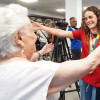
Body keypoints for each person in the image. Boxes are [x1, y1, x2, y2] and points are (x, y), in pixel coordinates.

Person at [0, 4, 100, 100]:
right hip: (86, 75)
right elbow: (88, 63)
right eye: (31, 32)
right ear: (18, 38)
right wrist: (43, 27)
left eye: (91, 17)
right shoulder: (40, 71)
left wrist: (40, 52)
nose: (35, 36)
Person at [32, 6, 100, 100]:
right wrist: (42, 27)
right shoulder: (83, 33)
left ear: (97, 17)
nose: (88, 20)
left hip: (98, 78)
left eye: (91, 17)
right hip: (84, 75)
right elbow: (60, 32)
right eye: (86, 18)